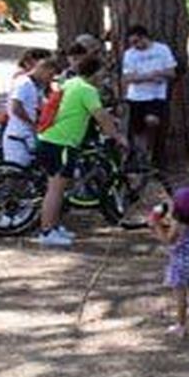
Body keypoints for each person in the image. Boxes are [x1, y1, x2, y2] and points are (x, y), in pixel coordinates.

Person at [34, 54, 128, 247]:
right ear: (94, 72)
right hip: (61, 143)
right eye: (102, 73)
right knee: (55, 189)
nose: (104, 77)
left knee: (61, 188)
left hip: (51, 140)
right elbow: (100, 116)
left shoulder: (72, 83)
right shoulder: (87, 90)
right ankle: (46, 232)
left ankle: (54, 226)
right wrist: (118, 136)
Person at [148, 187, 189, 337]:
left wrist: (156, 225)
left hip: (178, 264)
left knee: (180, 296)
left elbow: (168, 240)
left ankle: (181, 325)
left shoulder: (178, 223)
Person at [120, 24, 177, 164]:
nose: (134, 46)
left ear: (144, 37)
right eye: (131, 43)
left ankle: (156, 157)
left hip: (157, 96)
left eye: (136, 42)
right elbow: (129, 77)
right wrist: (150, 77)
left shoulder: (162, 50)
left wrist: (159, 73)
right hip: (136, 97)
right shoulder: (129, 54)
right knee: (137, 130)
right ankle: (139, 157)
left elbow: (171, 72)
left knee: (153, 122)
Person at [1, 52, 55, 167]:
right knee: (16, 173)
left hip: (27, 136)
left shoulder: (36, 86)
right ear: (42, 69)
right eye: (49, 75)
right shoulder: (24, 83)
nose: (50, 79)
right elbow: (16, 106)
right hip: (18, 137)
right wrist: (31, 123)